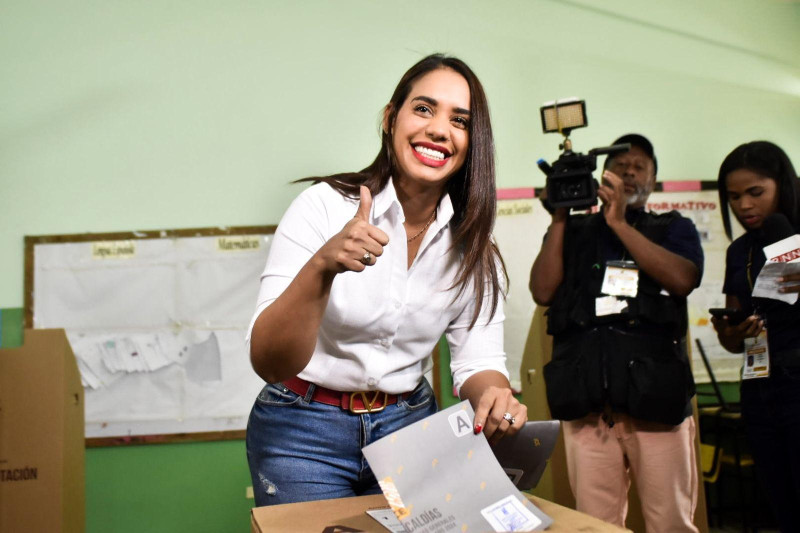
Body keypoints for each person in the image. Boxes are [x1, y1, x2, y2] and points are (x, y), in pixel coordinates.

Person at [245, 54, 526, 507]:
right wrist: (322, 266)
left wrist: (494, 396)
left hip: (410, 427)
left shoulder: (472, 244)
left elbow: (478, 362)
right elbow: (270, 362)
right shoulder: (322, 208)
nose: (439, 129)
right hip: (302, 427)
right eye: (423, 109)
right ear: (390, 118)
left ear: (472, 142)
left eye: (460, 120)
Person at [529, 134, 703, 531]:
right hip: (587, 405)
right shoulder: (573, 231)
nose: (627, 171)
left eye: (638, 166)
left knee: (671, 522)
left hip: (657, 402)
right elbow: (542, 291)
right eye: (620, 165)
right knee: (595, 525)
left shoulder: (672, 227)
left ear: (654, 181)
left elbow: (682, 279)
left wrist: (619, 223)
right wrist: (559, 216)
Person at [711, 141, 800, 531]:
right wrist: (731, 329)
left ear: (782, 185)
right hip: (759, 386)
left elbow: (784, 297)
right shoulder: (739, 251)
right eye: (733, 196)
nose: (744, 205)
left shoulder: (789, 234)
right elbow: (734, 342)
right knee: (781, 500)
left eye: (755, 192)